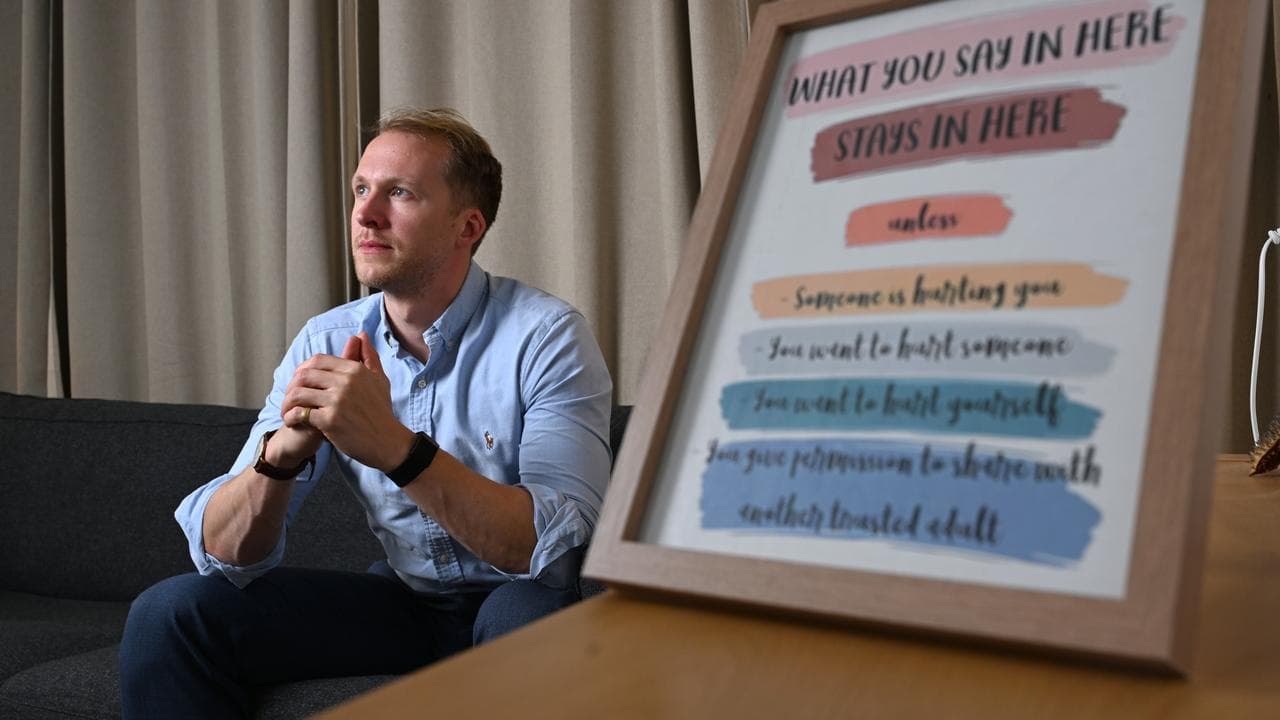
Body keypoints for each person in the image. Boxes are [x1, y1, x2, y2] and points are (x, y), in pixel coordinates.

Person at [118, 107, 613, 718]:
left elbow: (552, 550)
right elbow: (225, 554)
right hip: (405, 603)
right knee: (170, 613)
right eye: (360, 189)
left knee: (526, 622)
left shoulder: (546, 336)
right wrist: (280, 458)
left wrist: (397, 450)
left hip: (521, 598)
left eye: (399, 192)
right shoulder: (325, 340)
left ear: (467, 226)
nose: (365, 213)